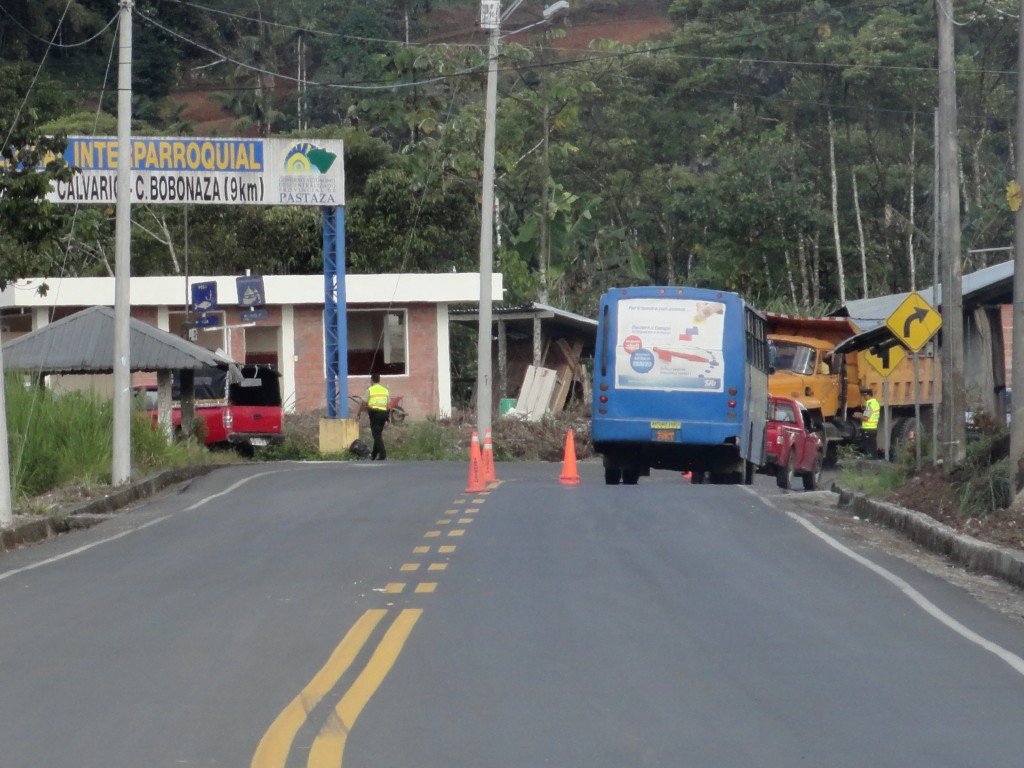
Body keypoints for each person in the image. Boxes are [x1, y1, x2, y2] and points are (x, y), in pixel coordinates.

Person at [362, 372, 390, 461]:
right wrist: (388, 417)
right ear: (379, 380)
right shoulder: (385, 390)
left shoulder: (370, 390)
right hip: (384, 414)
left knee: (376, 435)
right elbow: (388, 404)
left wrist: (360, 412)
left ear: (371, 380)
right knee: (377, 434)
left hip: (375, 415)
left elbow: (364, 402)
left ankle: (383, 454)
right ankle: (373, 455)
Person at [853, 386, 880, 454]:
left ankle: (871, 458)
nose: (864, 398)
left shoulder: (870, 404)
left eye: (864, 396)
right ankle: (873, 457)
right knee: (872, 445)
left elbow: (866, 418)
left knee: (869, 447)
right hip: (873, 428)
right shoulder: (875, 402)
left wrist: (858, 415)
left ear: (868, 395)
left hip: (869, 429)